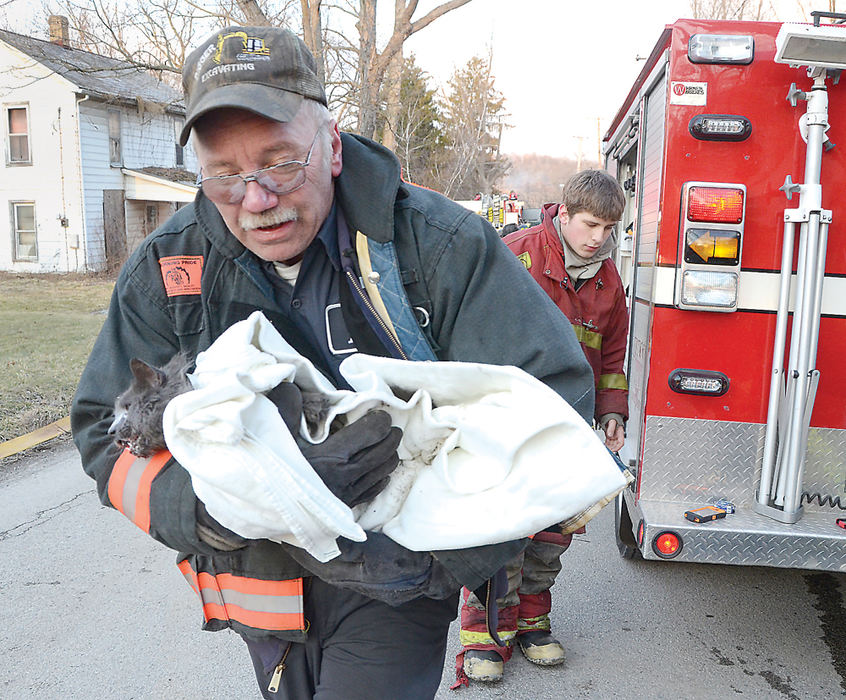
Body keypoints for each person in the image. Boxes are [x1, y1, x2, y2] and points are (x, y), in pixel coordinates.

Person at [70, 26, 596, 700]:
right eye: (225, 176)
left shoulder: (437, 247)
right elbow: (99, 430)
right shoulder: (169, 269)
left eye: (281, 163)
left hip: (397, 590)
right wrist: (221, 509)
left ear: (335, 147)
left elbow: (554, 397)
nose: (255, 199)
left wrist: (441, 558)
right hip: (257, 593)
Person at [456, 169, 628, 685]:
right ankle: (485, 636)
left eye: (609, 227)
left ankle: (532, 624)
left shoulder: (607, 280)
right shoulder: (517, 255)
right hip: (508, 424)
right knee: (503, 531)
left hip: (568, 427)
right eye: (591, 224)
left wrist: (612, 410)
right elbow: (471, 331)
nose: (598, 237)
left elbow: (613, 352)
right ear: (566, 213)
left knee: (550, 535)